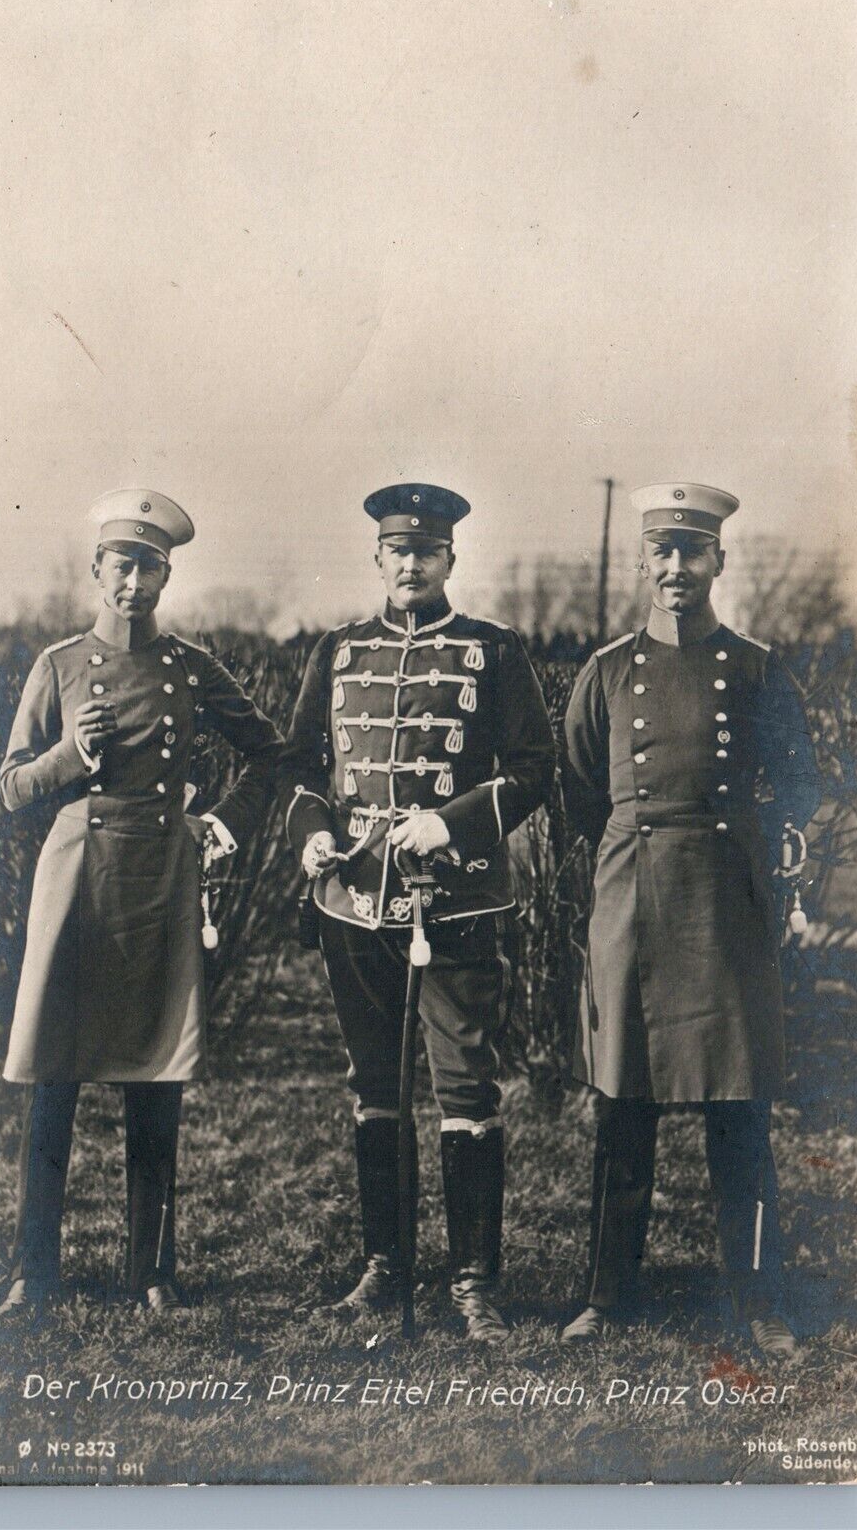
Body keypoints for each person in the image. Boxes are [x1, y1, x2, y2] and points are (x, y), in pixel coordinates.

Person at [0, 489, 282, 1317]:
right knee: (55, 1074)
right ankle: (32, 1272)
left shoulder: (190, 667)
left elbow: (267, 751)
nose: (135, 583)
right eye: (123, 565)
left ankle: (150, 1269)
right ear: (96, 570)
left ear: (167, 575)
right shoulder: (55, 664)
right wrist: (64, 756)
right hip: (77, 879)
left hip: (159, 877)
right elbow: (11, 786)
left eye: (151, 567)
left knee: (155, 1074)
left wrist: (220, 825)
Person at [279, 484, 555, 1341]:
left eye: (425, 552)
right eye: (397, 551)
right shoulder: (338, 650)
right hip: (355, 903)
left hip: (458, 902)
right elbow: (299, 768)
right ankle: (384, 1265)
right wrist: (313, 837)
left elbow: (535, 767)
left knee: (465, 1088)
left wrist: (453, 819)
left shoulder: (492, 651)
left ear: (448, 561)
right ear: (376, 557)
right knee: (375, 1088)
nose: (410, 563)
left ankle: (473, 1281)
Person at [561, 482, 821, 1357]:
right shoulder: (605, 671)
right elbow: (574, 792)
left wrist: (768, 846)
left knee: (737, 1109)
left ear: (719, 559)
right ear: (643, 560)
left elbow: (803, 777)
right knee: (621, 1106)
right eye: (661, 552)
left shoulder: (752, 667)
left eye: (693, 552)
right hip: (631, 893)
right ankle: (607, 1298)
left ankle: (758, 1300)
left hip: (722, 900)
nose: (676, 568)